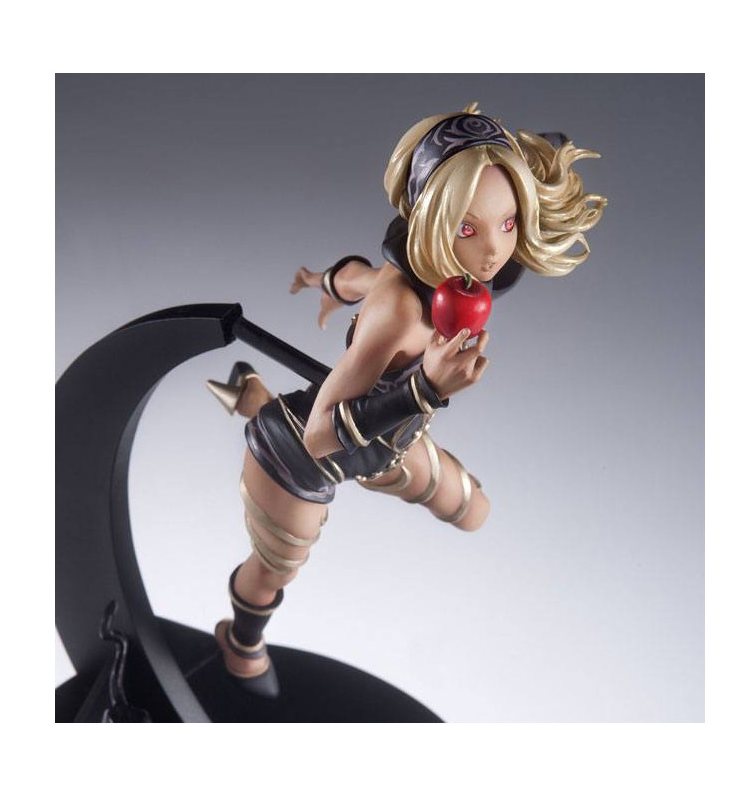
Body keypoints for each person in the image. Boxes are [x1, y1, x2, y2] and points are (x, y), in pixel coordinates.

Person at [206, 104, 607, 697]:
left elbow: (363, 277)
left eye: (508, 224)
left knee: (474, 510)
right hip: (300, 461)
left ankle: (253, 393)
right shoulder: (398, 311)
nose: (493, 251)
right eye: (468, 230)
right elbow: (319, 437)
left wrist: (321, 282)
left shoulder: (434, 281)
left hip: (387, 444)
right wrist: (427, 388)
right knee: (276, 571)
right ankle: (239, 640)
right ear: (435, 223)